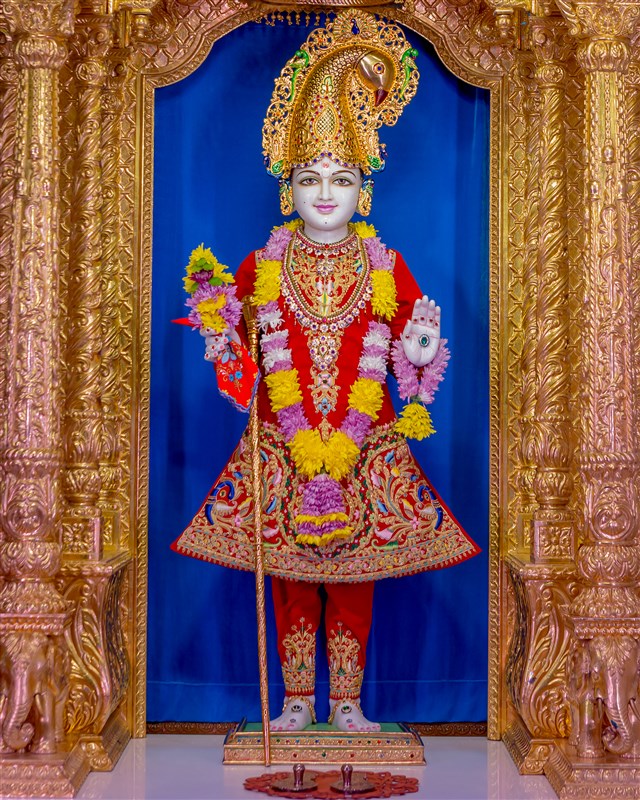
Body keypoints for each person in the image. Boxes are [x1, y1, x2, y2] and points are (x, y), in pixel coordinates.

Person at [172, 11, 479, 733]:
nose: (325, 193)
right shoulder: (263, 263)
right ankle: (295, 703)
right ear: (290, 189)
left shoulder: (385, 264)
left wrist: (422, 351)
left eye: (341, 179)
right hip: (282, 442)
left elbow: (410, 357)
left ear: (362, 190)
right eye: (310, 179)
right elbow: (240, 358)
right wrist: (218, 329)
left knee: (355, 578)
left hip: (364, 444)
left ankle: (345, 704)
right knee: (287, 578)